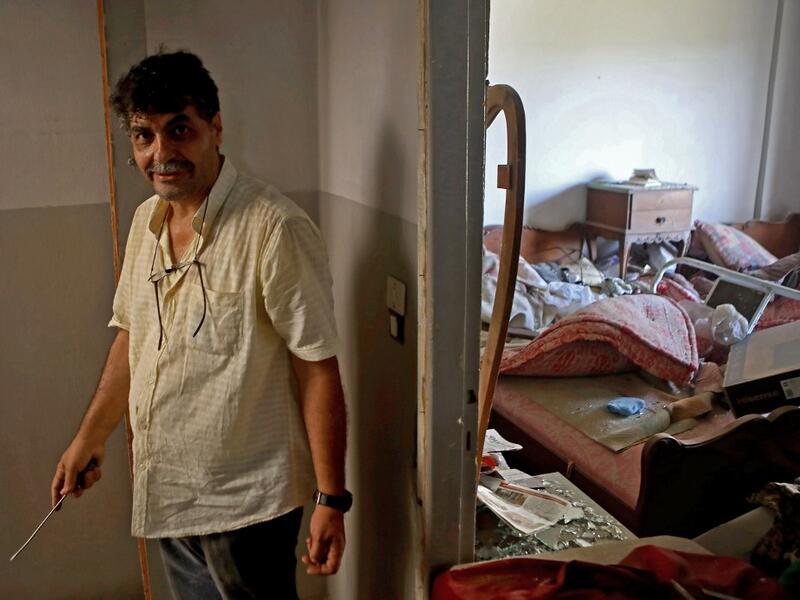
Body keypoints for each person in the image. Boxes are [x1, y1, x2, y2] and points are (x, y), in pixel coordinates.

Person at [50, 50, 349, 599]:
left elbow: (317, 367)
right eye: (143, 136)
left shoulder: (274, 227)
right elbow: (132, 336)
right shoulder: (147, 221)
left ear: (215, 127)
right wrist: (90, 435)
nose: (161, 153)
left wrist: (332, 499)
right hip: (167, 490)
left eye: (178, 129)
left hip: (246, 502)